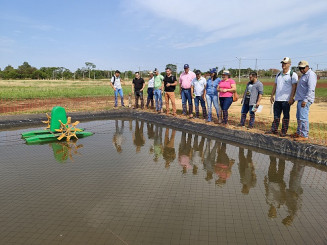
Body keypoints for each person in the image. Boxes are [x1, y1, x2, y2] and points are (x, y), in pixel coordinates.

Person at [267, 57, 298, 136]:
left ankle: (284, 131)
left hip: (286, 100)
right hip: (277, 99)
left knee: (286, 116)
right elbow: (275, 85)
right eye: (282, 63)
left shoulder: (293, 75)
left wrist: (291, 98)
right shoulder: (278, 74)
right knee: (276, 115)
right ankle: (274, 129)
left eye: (285, 63)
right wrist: (272, 95)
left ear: (289, 64)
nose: (283, 65)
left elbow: (294, 87)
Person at [293, 60, 317, 141]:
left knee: (303, 117)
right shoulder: (304, 75)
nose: (301, 70)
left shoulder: (311, 75)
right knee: (299, 117)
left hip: (305, 100)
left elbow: (311, 89)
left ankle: (304, 135)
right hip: (300, 99)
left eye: (303, 68)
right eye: (300, 68)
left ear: (307, 67)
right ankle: (299, 133)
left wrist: (305, 100)